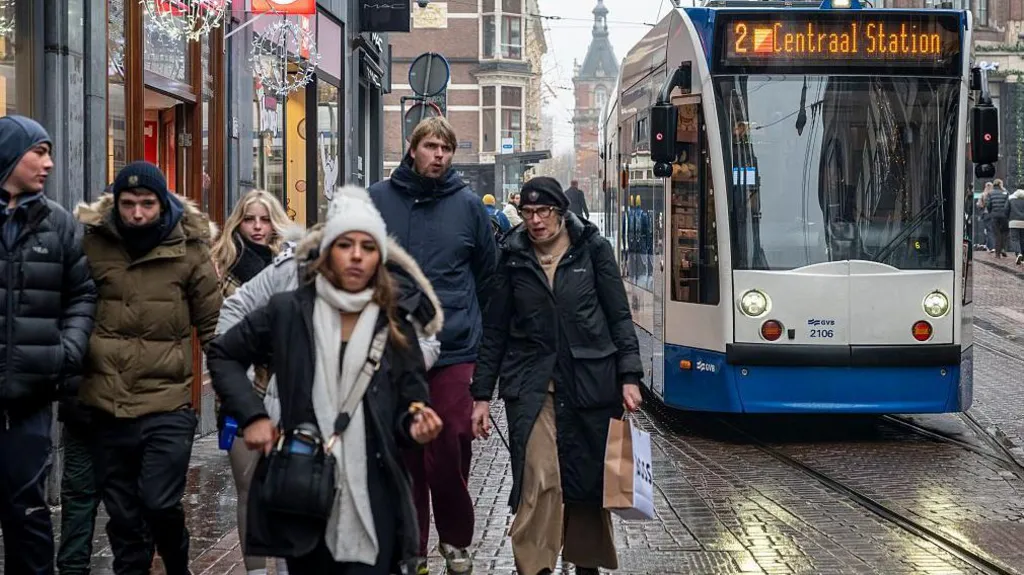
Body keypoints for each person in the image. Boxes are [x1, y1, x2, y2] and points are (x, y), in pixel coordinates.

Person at [208, 185, 444, 575]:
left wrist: (416, 427)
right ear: (327, 252)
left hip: (375, 491)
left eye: (368, 248)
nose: (356, 256)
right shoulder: (288, 311)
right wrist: (252, 415)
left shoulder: (395, 322)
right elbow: (223, 353)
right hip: (306, 487)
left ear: (379, 259)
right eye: (345, 244)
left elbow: (409, 405)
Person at [469, 177, 643, 575]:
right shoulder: (510, 256)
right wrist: (481, 395)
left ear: (560, 212)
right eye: (528, 212)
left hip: (590, 380)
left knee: (586, 480)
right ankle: (535, 567)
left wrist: (629, 375)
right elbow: (495, 330)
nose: (535, 220)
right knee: (540, 477)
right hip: (531, 386)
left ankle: (586, 562)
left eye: (543, 211)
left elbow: (618, 316)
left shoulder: (593, 248)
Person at [75, 160, 222, 575]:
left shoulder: (190, 249)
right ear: (115, 204)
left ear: (163, 203)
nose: (137, 213)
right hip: (106, 404)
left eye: (146, 203)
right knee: (123, 519)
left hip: (167, 404)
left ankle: (177, 561)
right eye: (127, 204)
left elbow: (212, 325)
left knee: (159, 502)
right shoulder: (93, 243)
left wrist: (231, 391)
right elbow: (73, 308)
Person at [369, 116, 496, 574]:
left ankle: (457, 540)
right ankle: (413, 548)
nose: (439, 155)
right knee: (405, 452)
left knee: (449, 441)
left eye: (446, 148)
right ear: (412, 148)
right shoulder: (378, 200)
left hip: (456, 345)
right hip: (397, 346)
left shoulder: (468, 206)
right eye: (431, 146)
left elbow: (488, 275)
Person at [0, 115, 96, 575]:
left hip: (31, 397)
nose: (49, 163)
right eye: (38, 152)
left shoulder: (58, 223)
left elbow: (83, 295)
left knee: (28, 512)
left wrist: (67, 353)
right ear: (8, 156)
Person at [211, 189, 295, 575]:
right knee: (249, 490)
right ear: (238, 223)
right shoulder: (220, 266)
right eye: (249, 219)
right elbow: (216, 332)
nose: (258, 227)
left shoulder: (290, 265)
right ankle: (258, 570)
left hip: (291, 389)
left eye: (264, 219)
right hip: (243, 390)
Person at [1008, 188, 1024, 265]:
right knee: (1022, 239)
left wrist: (1008, 218)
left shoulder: (1011, 200)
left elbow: (1006, 210)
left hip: (1013, 222)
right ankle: (1023, 256)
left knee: (1014, 239)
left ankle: (1018, 253)